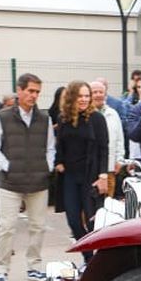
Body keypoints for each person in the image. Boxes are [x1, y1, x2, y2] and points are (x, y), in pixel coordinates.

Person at [0, 73, 55, 281]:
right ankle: (1, 270)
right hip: (10, 183)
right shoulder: (1, 117)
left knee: (38, 226)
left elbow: (50, 148)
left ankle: (34, 267)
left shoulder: (45, 119)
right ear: (20, 90)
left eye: (37, 92)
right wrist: (8, 166)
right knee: (6, 227)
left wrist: (47, 167)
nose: (34, 96)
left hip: (38, 182)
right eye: (31, 91)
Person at [54, 80, 110, 243]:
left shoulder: (97, 118)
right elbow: (60, 143)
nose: (84, 99)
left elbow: (103, 148)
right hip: (70, 176)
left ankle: (95, 261)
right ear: (71, 97)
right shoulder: (63, 118)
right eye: (80, 96)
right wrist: (59, 162)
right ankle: (89, 257)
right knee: (73, 221)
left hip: (91, 176)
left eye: (87, 96)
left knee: (94, 222)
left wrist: (103, 175)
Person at [89, 80, 126, 197]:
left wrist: (119, 160)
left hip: (109, 168)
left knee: (108, 203)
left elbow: (120, 139)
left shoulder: (113, 114)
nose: (98, 95)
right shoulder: (84, 115)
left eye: (101, 92)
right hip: (89, 170)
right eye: (94, 92)